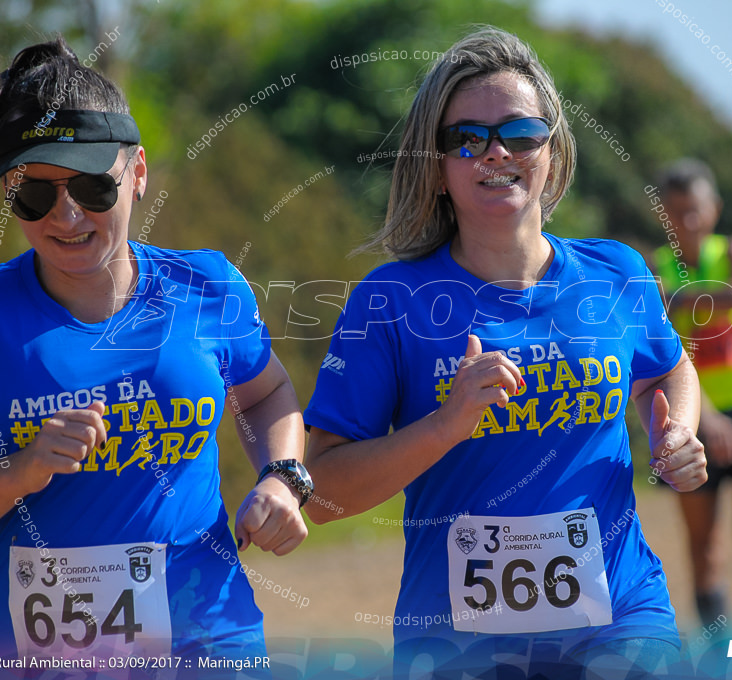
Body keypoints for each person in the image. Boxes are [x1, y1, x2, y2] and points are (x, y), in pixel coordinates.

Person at [0, 37, 310, 677]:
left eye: (93, 186)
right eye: (35, 192)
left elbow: (267, 393)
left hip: (209, 648)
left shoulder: (210, 286)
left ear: (137, 173)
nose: (66, 214)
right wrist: (17, 473)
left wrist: (283, 476)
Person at [303, 28, 707, 678]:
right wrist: (444, 425)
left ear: (553, 151)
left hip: (622, 617)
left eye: (520, 133)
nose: (496, 152)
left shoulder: (617, 273)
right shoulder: (390, 301)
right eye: (467, 139)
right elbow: (319, 494)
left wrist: (678, 432)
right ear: (436, 166)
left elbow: (670, 368)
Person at [652, 158, 732, 634]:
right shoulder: (655, 265)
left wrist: (679, 299)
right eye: (676, 212)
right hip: (692, 419)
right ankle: (721, 661)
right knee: (705, 551)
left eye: (696, 210)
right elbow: (658, 341)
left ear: (715, 209)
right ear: (664, 216)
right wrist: (705, 415)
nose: (687, 222)